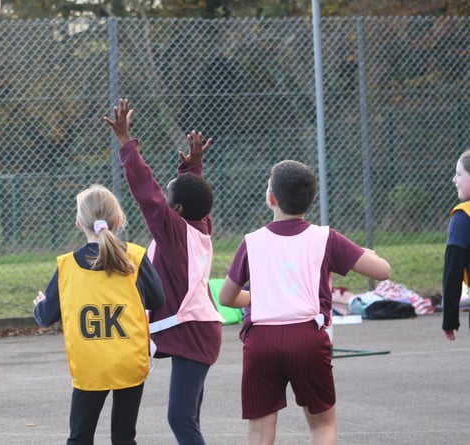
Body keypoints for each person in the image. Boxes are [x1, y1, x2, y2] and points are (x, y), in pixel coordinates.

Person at [218, 159, 391, 445]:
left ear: (270, 198)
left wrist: (261, 296)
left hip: (261, 340)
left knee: (260, 433)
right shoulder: (325, 237)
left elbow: (227, 297)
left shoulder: (252, 241)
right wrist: (361, 250)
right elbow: (383, 271)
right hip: (307, 337)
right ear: (311, 200)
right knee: (322, 426)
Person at [104, 98, 224, 444]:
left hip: (191, 332)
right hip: (196, 329)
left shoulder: (175, 234)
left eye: (170, 199)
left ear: (177, 210)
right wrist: (193, 170)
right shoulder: (197, 228)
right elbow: (187, 199)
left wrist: (127, 144)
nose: (164, 203)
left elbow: (149, 195)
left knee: (180, 419)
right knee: (189, 419)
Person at [34, 184, 165, 445]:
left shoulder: (67, 266)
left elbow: (46, 317)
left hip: (90, 365)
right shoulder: (135, 257)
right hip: (129, 360)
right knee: (124, 437)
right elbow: (158, 300)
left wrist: (40, 305)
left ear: (78, 222)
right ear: (118, 220)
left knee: (80, 437)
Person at [443, 149, 470, 341]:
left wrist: (450, 319)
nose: (454, 180)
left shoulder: (463, 216)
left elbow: (453, 270)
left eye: (459, 174)